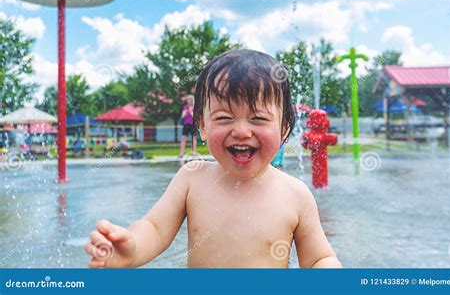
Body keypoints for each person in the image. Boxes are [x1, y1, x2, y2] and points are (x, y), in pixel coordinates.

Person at [85, 49, 342, 268]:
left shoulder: (295, 193)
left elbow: (319, 257)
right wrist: (131, 248)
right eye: (224, 118)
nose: (241, 131)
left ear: (285, 128)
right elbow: (155, 228)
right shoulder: (192, 178)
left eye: (258, 119)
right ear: (202, 126)